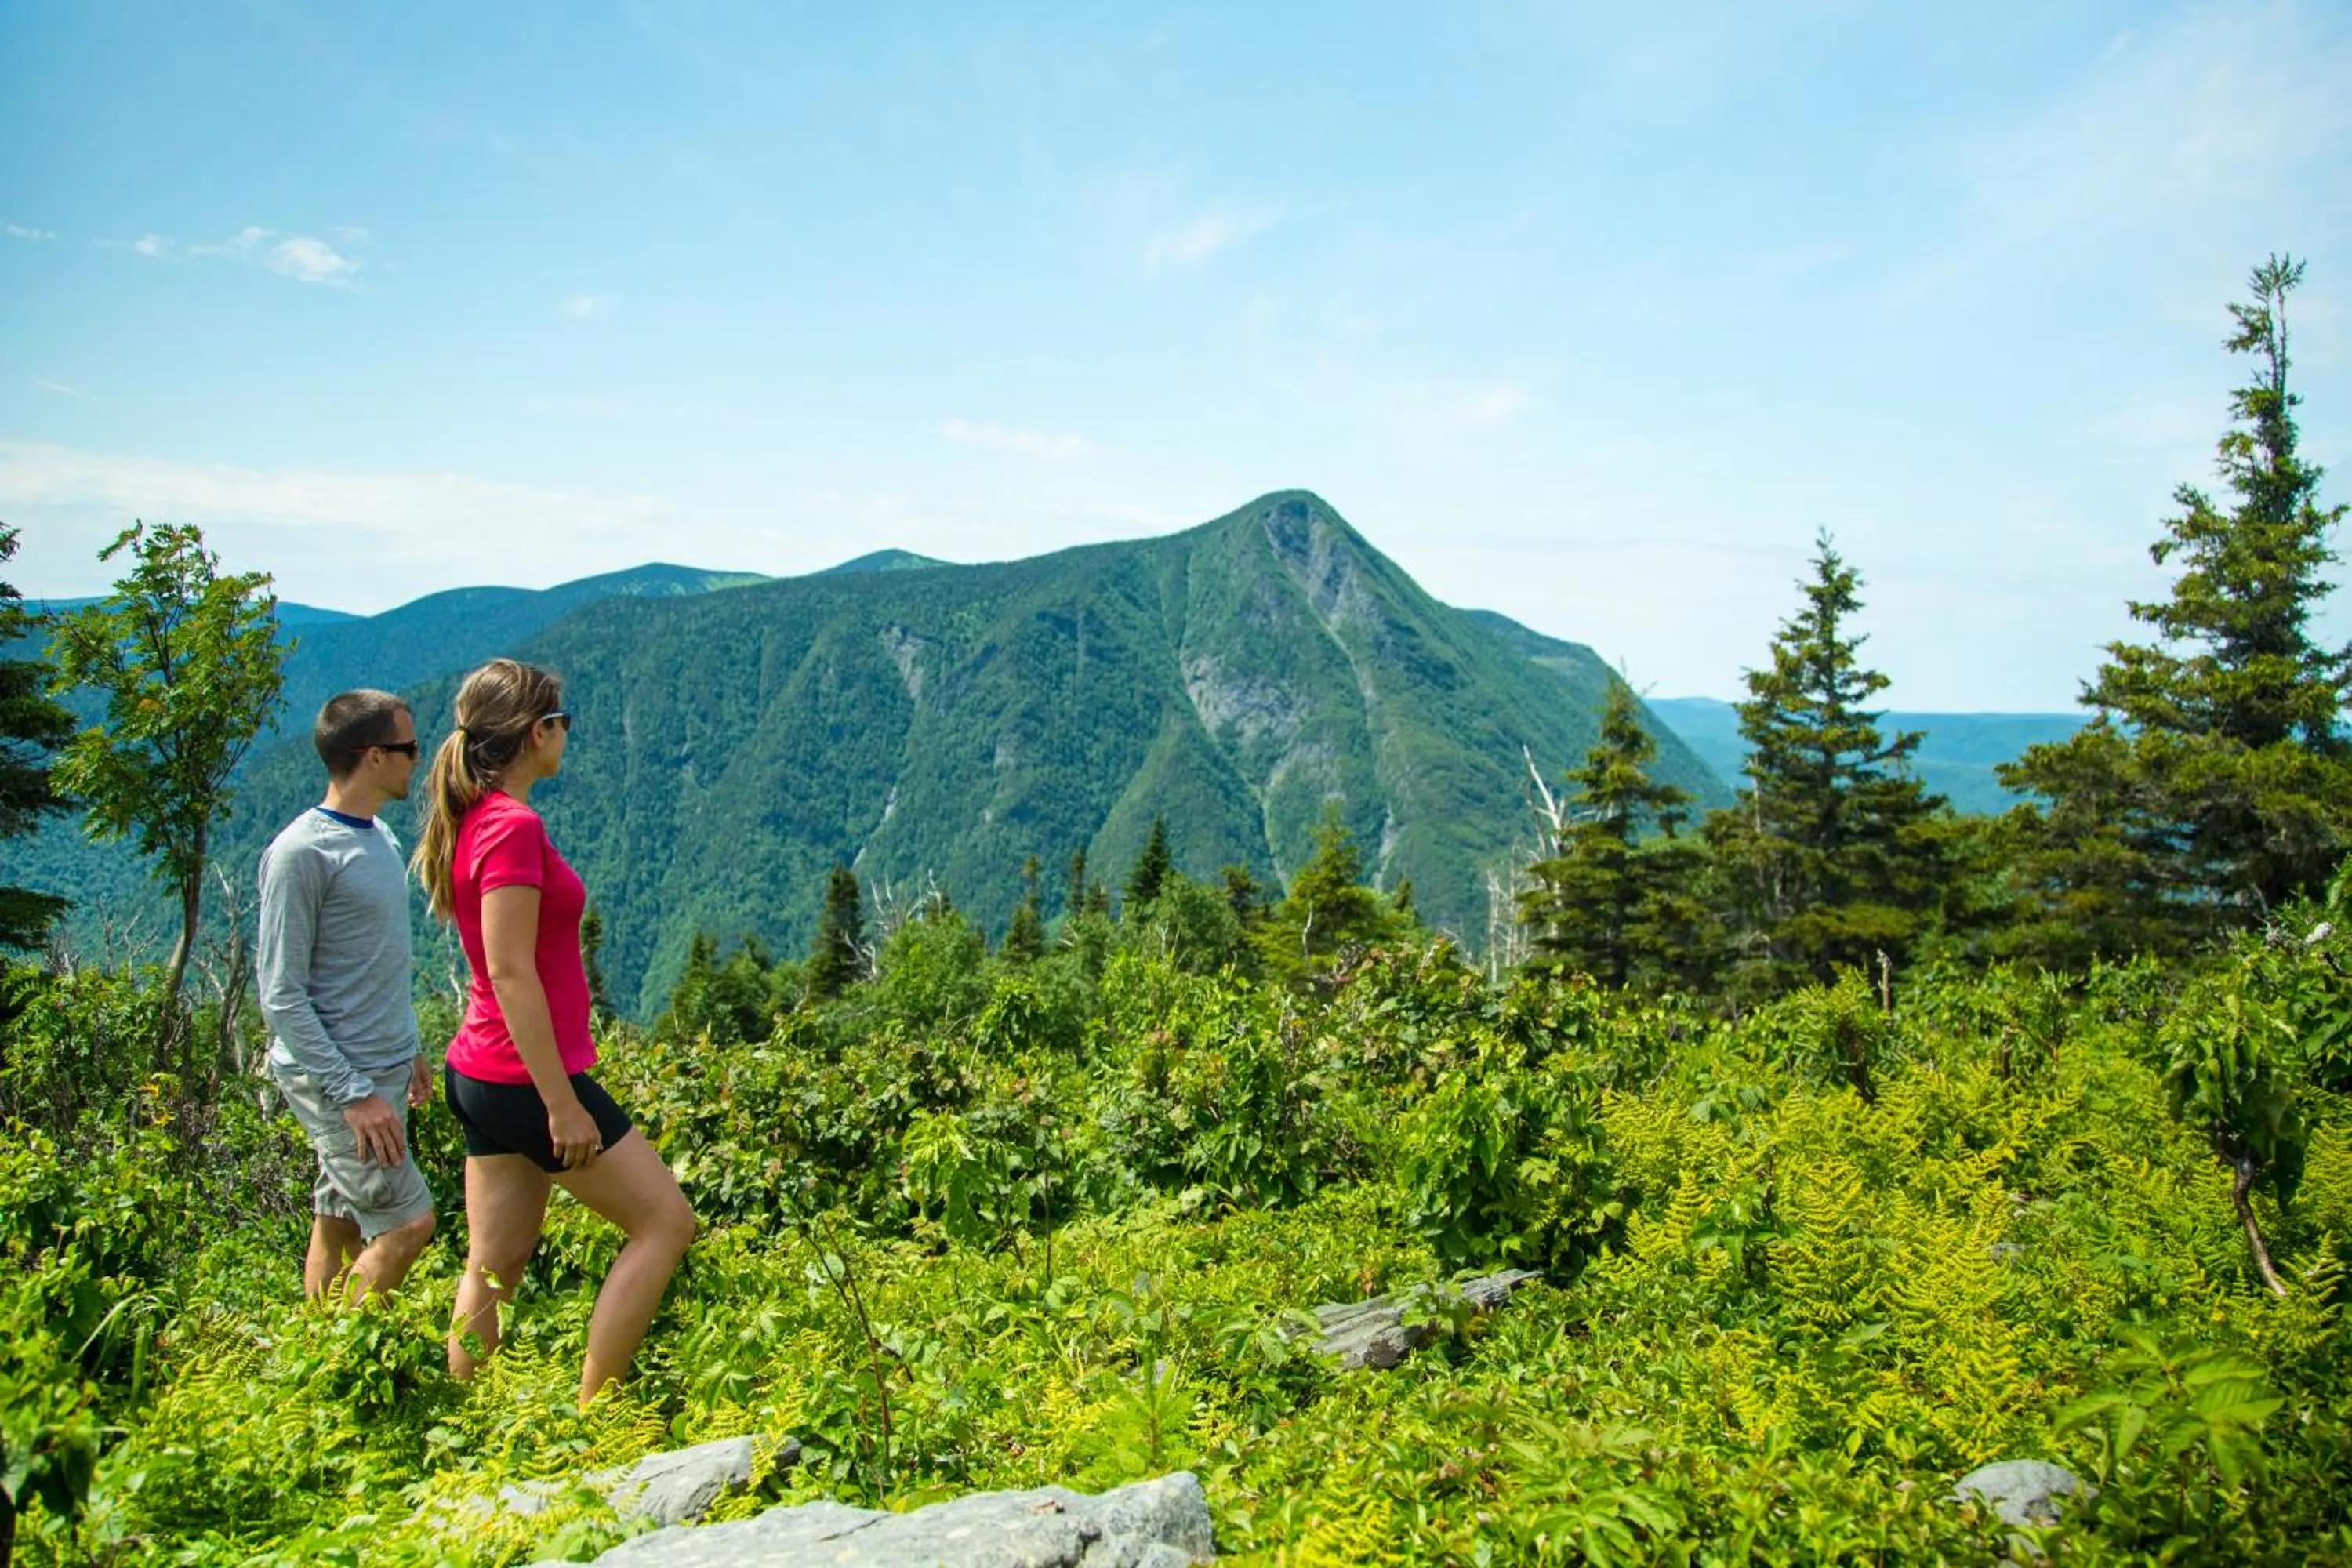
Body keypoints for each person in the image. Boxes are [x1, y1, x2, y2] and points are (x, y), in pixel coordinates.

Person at [411, 658, 694, 1405]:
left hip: (481, 1070)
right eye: (561, 722)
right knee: (665, 1224)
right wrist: (560, 1105)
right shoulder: (512, 827)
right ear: (537, 733)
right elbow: (511, 971)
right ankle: (597, 1422)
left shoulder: (477, 818)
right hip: (522, 1078)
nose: (566, 734)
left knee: (494, 1263)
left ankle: (463, 1424)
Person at [257, 689, 435, 1300]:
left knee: (336, 1222)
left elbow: (379, 960)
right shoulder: (301, 853)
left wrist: (408, 1046)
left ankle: (314, 1339)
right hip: (343, 1078)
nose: (418, 758)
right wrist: (354, 1094)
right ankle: (342, 1352)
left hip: (379, 1064)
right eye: (408, 747)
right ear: (373, 756)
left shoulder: (379, 835)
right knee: (409, 1225)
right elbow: (280, 995)